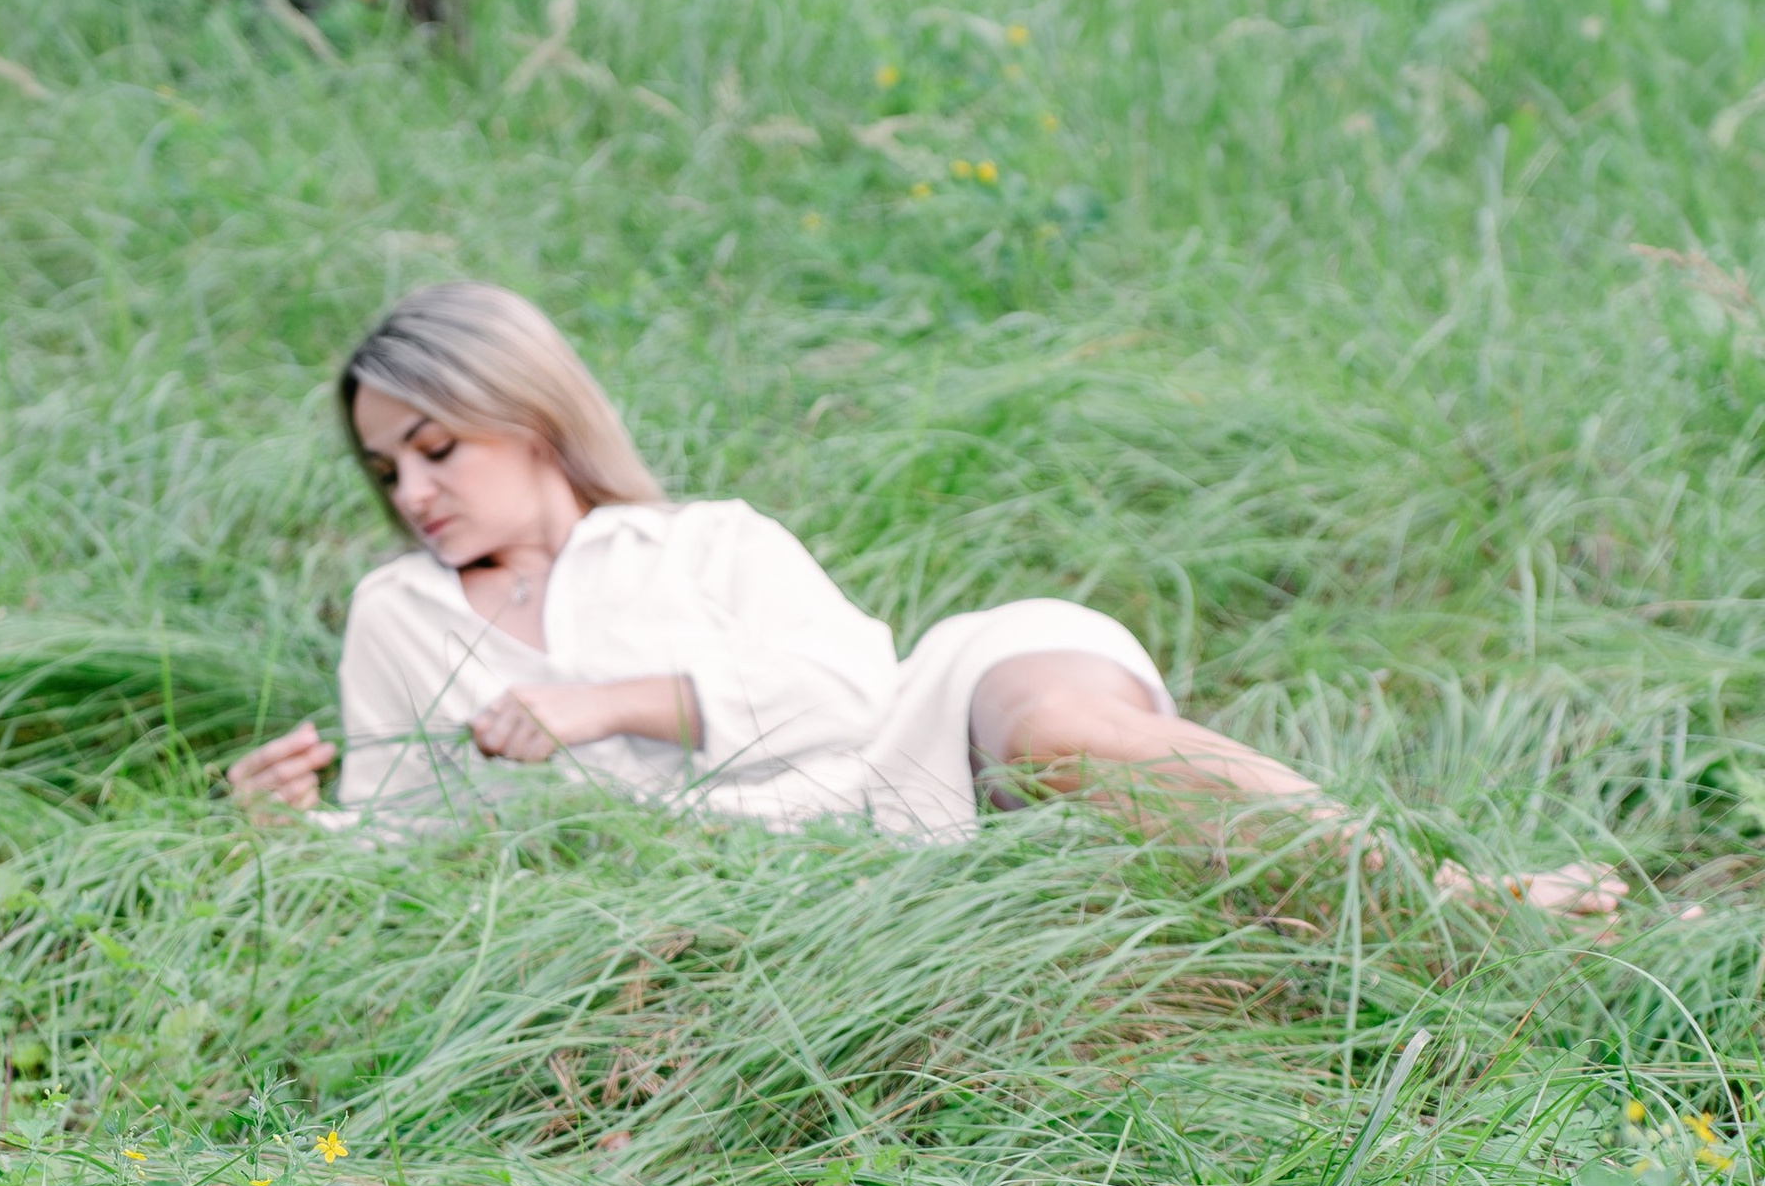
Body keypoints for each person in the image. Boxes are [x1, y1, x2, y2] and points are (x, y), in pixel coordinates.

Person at [228, 282, 1614, 910]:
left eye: (436, 449)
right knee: (1094, 803)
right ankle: (1444, 911)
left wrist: (603, 705)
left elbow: (854, 687)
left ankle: (1450, 895)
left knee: (1062, 725)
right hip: (787, 865)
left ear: (527, 417)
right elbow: (409, 844)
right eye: (385, 468)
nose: (414, 495)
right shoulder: (399, 614)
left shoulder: (700, 540)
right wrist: (289, 833)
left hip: (898, 753)